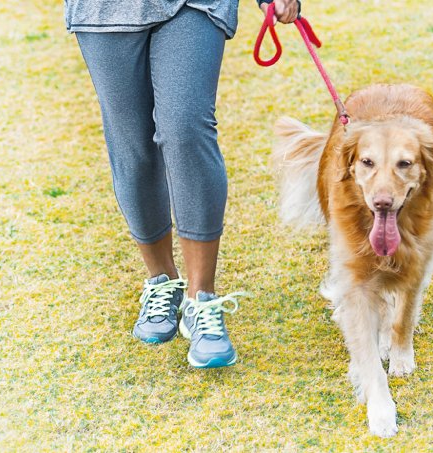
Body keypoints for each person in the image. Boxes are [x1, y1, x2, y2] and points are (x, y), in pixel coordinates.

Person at [65, 0, 300, 368]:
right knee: (133, 147)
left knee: (186, 129)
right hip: (103, 10)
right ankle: (162, 281)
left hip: (194, 6)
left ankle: (201, 298)